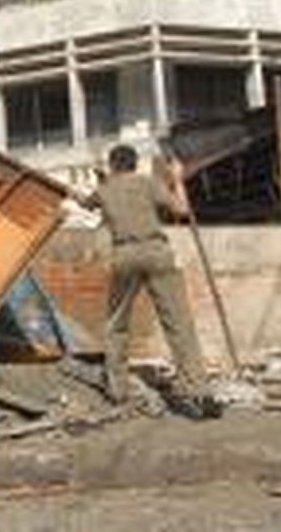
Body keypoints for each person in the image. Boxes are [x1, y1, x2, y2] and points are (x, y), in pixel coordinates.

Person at [87, 145, 221, 420]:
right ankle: (201, 393)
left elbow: (85, 203)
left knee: (116, 324)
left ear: (112, 165)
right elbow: (182, 210)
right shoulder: (149, 183)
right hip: (156, 252)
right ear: (135, 164)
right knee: (179, 324)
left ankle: (118, 390)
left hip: (124, 256)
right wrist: (178, 179)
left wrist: (99, 184)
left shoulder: (105, 189)